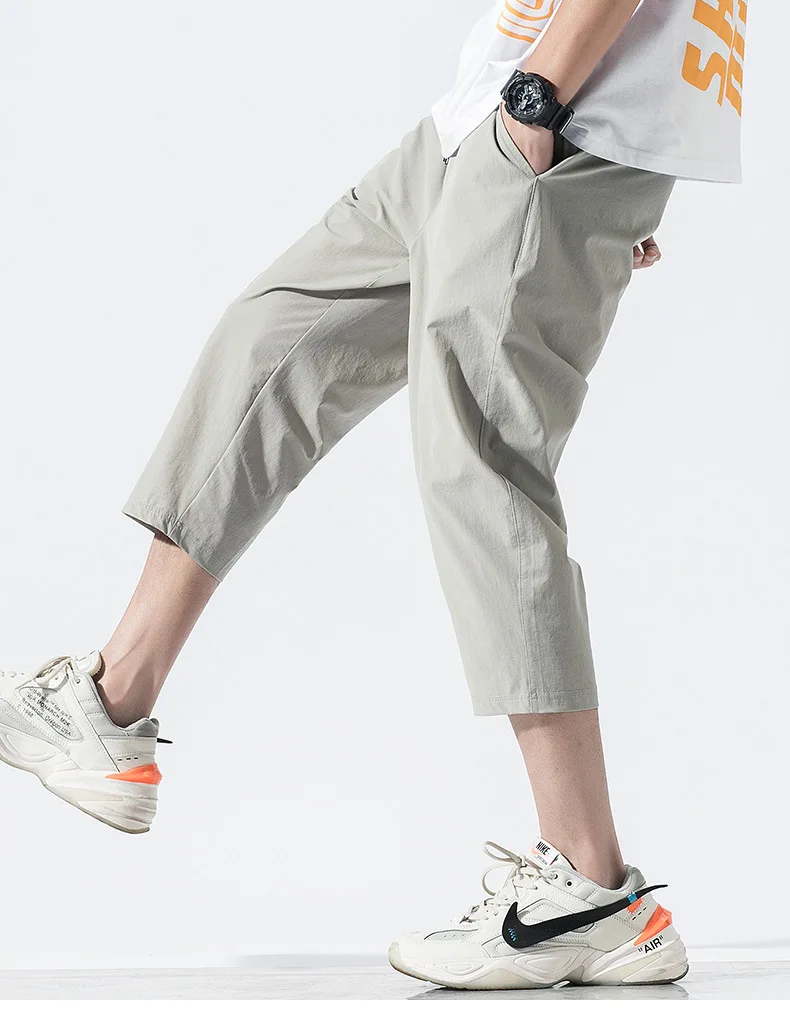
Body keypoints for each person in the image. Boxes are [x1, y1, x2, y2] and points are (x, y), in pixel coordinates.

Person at [0, 0, 747, 990]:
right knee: (271, 345)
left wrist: (549, 109)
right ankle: (107, 702)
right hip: (483, 119)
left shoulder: (548, 114)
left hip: (552, 121)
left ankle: (592, 888)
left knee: (482, 468)